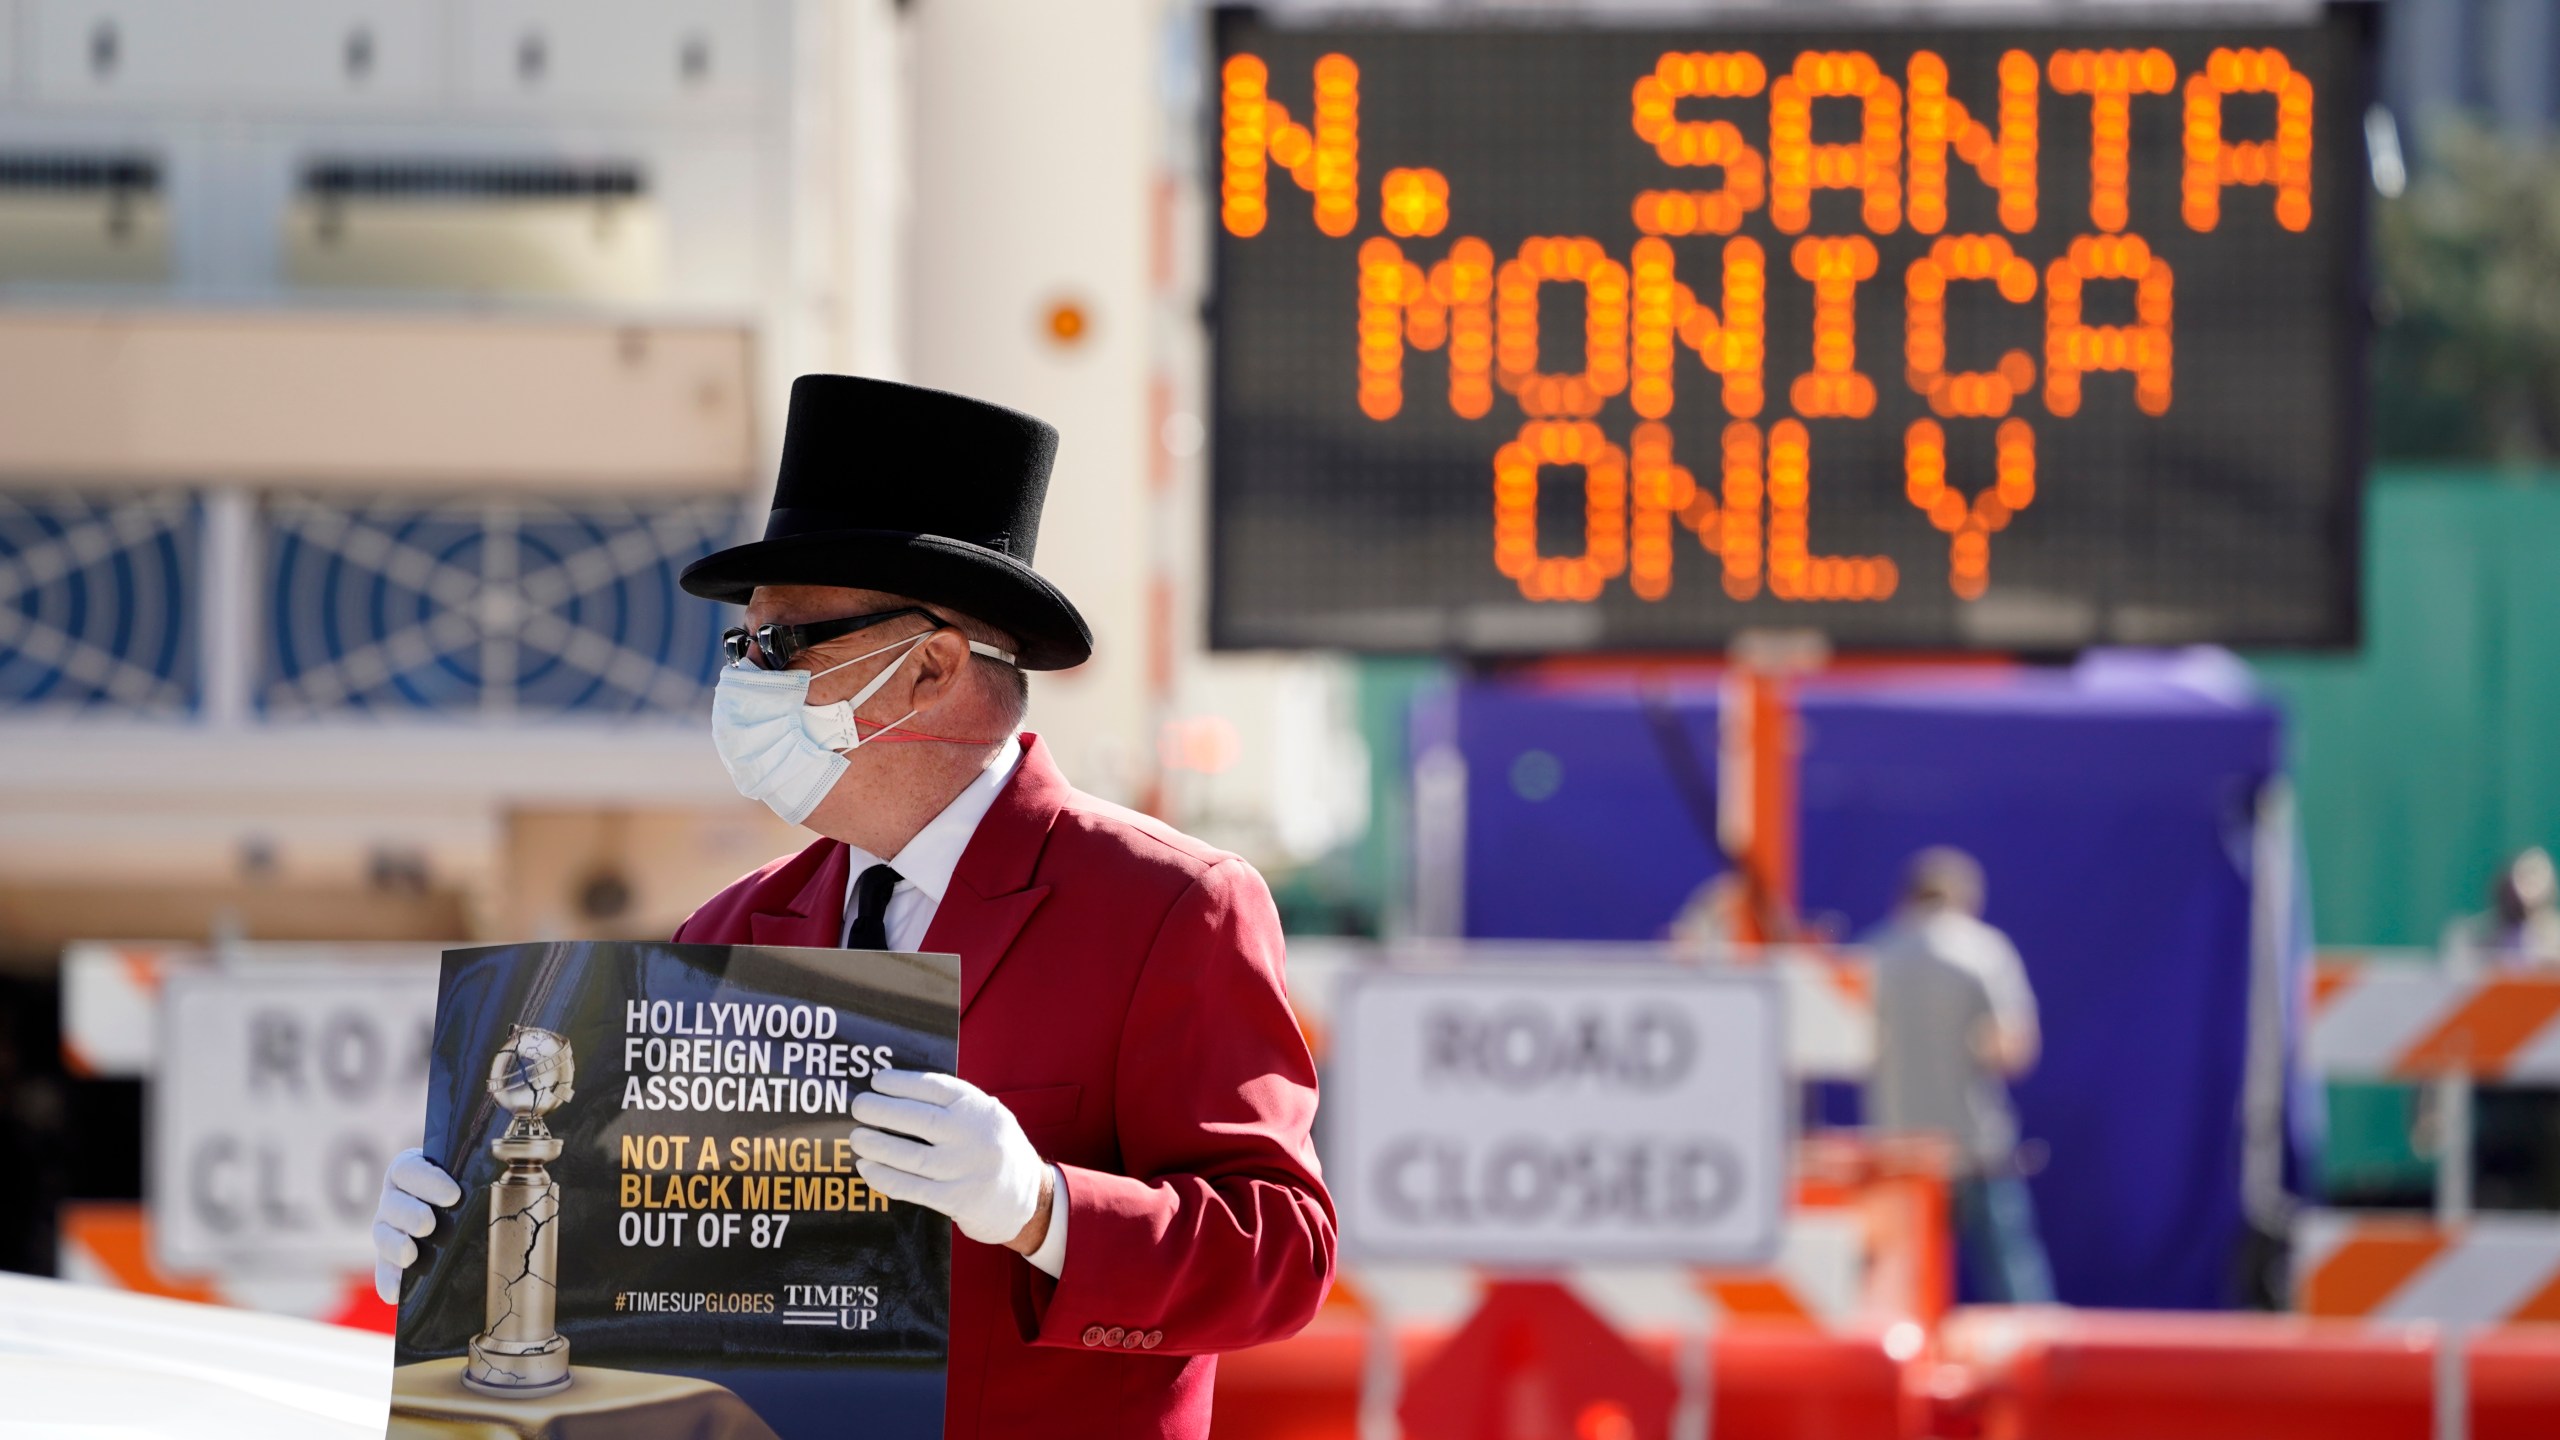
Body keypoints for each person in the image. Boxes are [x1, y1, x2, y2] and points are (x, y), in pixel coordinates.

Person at [369, 376, 1335, 1438]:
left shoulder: (1168, 906)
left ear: (930, 669)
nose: (744, 679)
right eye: (740, 648)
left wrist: (1043, 1210)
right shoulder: (727, 929)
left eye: (782, 646)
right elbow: (659, 1278)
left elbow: (1281, 1258)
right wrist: (468, 1257)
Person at [1864, 846, 2054, 1304]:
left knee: (1894, 1287)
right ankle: (2038, 1370)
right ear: (1966, 897)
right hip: (1974, 1145)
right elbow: (2014, 1048)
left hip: (1898, 1148)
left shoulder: (1874, 954)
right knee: (2013, 1282)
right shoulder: (1984, 952)